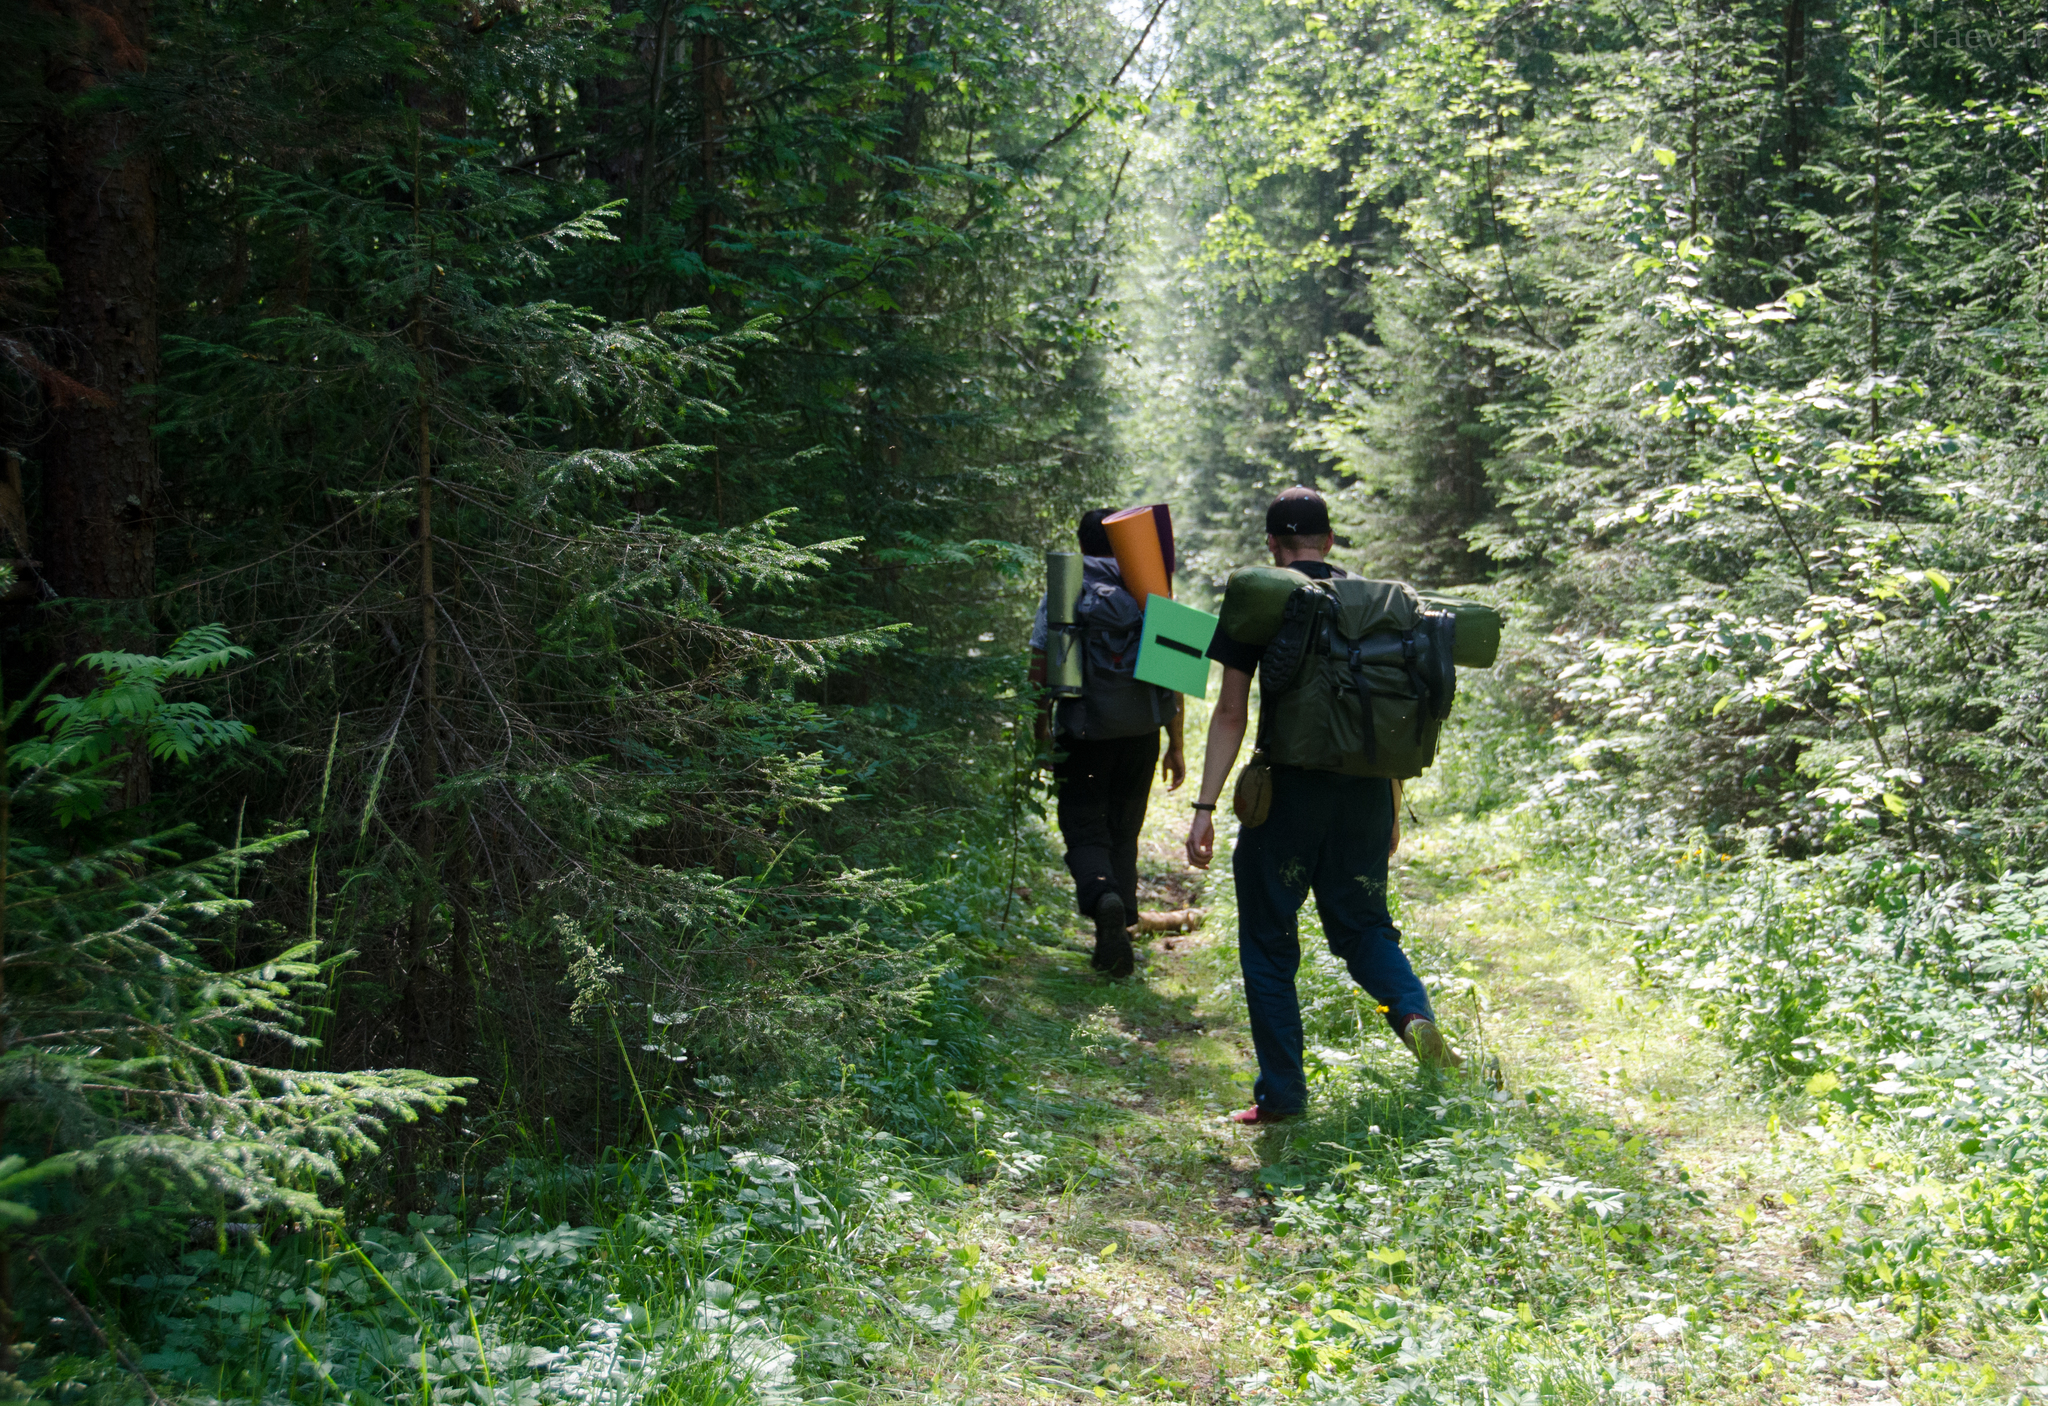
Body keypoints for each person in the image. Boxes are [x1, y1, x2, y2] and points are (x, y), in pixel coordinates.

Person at [1184, 487, 1458, 1124]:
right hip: (1364, 795)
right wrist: (1391, 805)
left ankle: (1282, 1096)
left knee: (1270, 940)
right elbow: (1384, 720)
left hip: (1289, 797)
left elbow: (1230, 711)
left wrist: (1204, 806)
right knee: (1364, 929)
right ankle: (1415, 1018)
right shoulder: (1375, 604)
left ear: (1273, 547)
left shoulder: (1264, 599)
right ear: (1330, 542)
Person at [1031, 509, 1187, 976]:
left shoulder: (1066, 588)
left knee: (1084, 828)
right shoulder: (1150, 588)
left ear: (1080, 545)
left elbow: (1041, 661)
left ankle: (1104, 902)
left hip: (1081, 733)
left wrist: (1040, 729)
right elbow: (1174, 673)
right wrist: (1175, 745)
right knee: (1124, 830)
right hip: (1140, 733)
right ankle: (1116, 931)